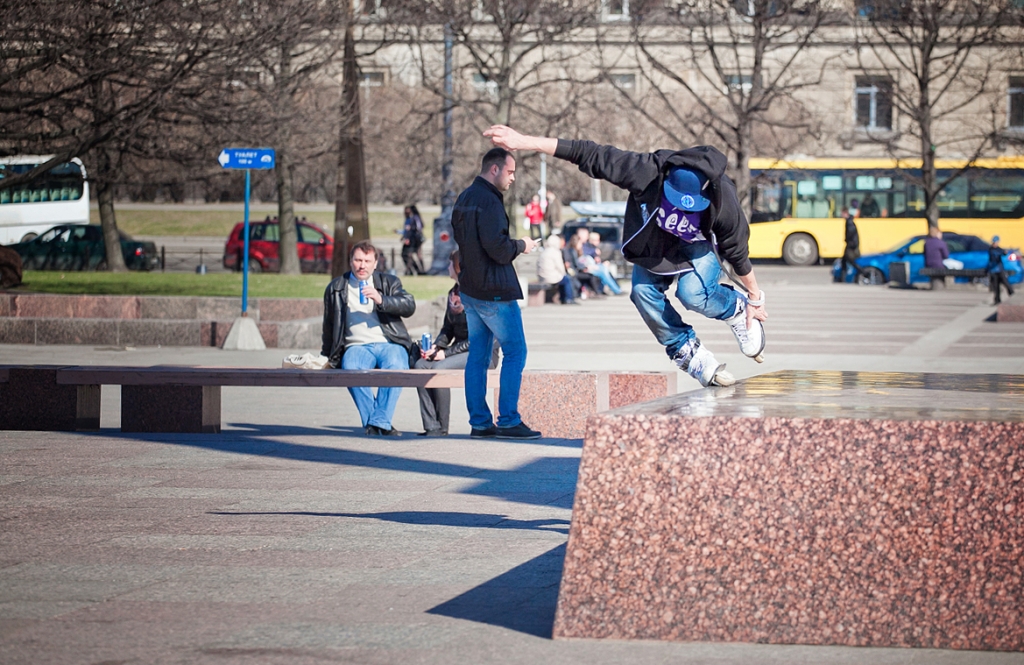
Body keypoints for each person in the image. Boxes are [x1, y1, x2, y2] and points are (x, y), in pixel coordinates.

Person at [484, 125, 767, 387]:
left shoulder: (724, 202)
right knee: (642, 292)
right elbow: (588, 153)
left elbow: (737, 252)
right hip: (658, 246)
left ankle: (735, 310)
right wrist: (524, 141)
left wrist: (754, 298)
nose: (681, 209)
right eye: (675, 201)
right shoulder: (647, 171)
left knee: (692, 294)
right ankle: (685, 348)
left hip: (699, 245)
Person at [451, 147, 542, 439]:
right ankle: (508, 419)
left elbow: (463, 244)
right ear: (494, 169)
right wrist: (522, 245)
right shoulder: (489, 201)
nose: (513, 177)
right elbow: (499, 249)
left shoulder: (464, 197)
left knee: (477, 355)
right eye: (510, 171)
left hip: (471, 289)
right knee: (516, 351)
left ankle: (479, 422)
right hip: (493, 292)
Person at [322, 240, 416, 436]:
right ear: (351, 261)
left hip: (389, 343)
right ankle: (380, 423)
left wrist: (382, 300)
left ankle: (376, 424)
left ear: (375, 263)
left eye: (367, 261)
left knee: (397, 366)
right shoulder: (337, 288)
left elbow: (409, 305)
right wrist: (325, 356)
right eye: (357, 260)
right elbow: (329, 325)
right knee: (351, 368)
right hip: (356, 346)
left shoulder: (388, 282)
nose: (362, 265)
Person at [414, 250, 499, 436]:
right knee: (420, 365)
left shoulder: (479, 294)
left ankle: (443, 427)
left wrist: (446, 354)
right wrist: (436, 347)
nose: (447, 267)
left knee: (441, 367)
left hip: (482, 352)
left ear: (459, 267)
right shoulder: (453, 293)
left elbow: (480, 337)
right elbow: (447, 329)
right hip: (457, 351)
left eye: (450, 263)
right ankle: (432, 426)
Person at [537, 233, 576, 304]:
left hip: (542, 276)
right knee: (567, 279)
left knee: (563, 279)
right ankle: (568, 298)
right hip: (552, 277)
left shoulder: (544, 252)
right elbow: (560, 266)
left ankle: (563, 298)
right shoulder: (555, 252)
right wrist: (564, 273)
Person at [581, 230, 623, 295]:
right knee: (603, 271)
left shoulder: (593, 247)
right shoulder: (586, 246)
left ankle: (616, 289)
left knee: (607, 270)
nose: (599, 242)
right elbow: (585, 253)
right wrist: (594, 251)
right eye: (597, 240)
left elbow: (597, 260)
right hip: (588, 267)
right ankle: (616, 290)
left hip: (594, 266)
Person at [564, 232, 604, 298]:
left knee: (593, 276)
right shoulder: (573, 251)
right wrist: (585, 267)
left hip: (577, 270)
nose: (581, 245)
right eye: (580, 243)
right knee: (592, 276)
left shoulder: (575, 251)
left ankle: (594, 292)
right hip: (575, 272)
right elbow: (576, 264)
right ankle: (596, 292)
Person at [837, 208, 865, 282]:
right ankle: (842, 278)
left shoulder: (849, 222)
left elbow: (851, 234)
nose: (841, 215)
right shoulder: (849, 220)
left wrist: (848, 241)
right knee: (844, 261)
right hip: (850, 244)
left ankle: (862, 272)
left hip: (851, 245)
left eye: (842, 213)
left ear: (845, 213)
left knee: (850, 260)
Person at [988, 235, 1015, 304]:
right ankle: (997, 300)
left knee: (1006, 283)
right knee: (996, 287)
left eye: (995, 242)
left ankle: (1013, 296)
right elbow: (995, 255)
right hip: (993, 270)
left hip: (1000, 270)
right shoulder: (991, 249)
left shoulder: (999, 249)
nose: (994, 244)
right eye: (993, 242)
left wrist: (1004, 252)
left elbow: (1002, 253)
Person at [401, 205, 426, 275]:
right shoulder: (415, 218)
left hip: (414, 240)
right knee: (416, 255)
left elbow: (417, 228)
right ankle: (419, 270)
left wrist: (409, 235)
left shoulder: (414, 218)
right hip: (415, 239)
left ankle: (414, 271)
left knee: (410, 254)